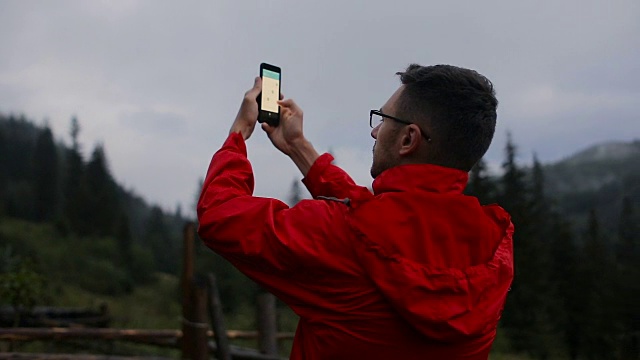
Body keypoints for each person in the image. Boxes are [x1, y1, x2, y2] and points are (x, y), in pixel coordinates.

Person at [197, 64, 514, 360]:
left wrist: (239, 131)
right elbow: (373, 222)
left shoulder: (337, 235)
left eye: (384, 119)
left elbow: (220, 214)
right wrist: (298, 146)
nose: (376, 132)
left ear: (408, 139)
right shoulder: (496, 246)